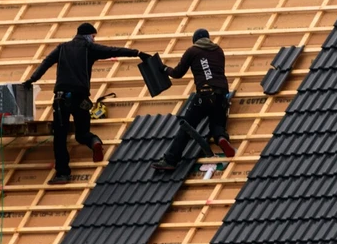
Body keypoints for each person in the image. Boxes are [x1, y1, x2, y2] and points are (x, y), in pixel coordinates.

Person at [23, 22, 150, 185]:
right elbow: (113, 50)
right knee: (82, 132)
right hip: (81, 97)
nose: (94, 39)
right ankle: (94, 142)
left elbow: (45, 63)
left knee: (60, 137)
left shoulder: (61, 48)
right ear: (87, 36)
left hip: (61, 99)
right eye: (93, 36)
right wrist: (137, 53)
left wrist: (31, 80)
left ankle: (63, 174)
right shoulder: (90, 48)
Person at [152, 28, 235, 171]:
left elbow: (178, 73)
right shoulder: (218, 50)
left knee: (187, 127)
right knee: (217, 122)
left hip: (204, 95)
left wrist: (164, 69)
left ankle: (170, 160)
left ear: (194, 40)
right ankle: (221, 138)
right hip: (221, 95)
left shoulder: (192, 51)